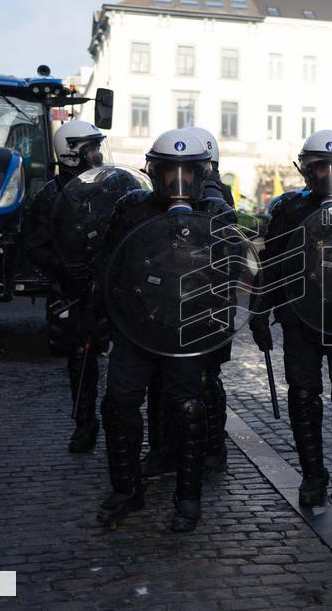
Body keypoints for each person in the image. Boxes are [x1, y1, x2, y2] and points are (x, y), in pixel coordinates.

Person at [93, 128, 234, 532]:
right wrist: (101, 315)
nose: (178, 181)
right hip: (136, 328)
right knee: (118, 404)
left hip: (187, 330)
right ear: (154, 171)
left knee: (188, 409)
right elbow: (110, 265)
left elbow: (230, 275)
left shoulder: (216, 213)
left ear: (201, 173)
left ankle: (188, 498)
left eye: (187, 172)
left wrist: (216, 329)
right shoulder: (132, 209)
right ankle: (126, 488)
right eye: (169, 171)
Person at [249, 129, 332, 521]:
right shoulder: (289, 209)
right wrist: (259, 311)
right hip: (299, 316)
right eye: (321, 167)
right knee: (303, 397)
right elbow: (270, 263)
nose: (329, 174)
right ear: (308, 170)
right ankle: (313, 476)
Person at [141, 125, 233, 479]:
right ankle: (207, 447)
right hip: (198, 306)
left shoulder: (213, 201)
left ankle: (195, 449)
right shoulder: (215, 194)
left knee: (193, 380)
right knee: (200, 378)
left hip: (198, 304)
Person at [25, 120, 107, 453]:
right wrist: (66, 267)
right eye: (91, 149)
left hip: (109, 285)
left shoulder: (107, 187)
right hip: (74, 291)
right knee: (80, 359)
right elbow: (34, 245)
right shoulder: (49, 197)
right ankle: (85, 424)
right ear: (71, 153)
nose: (97, 155)